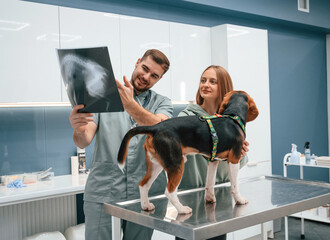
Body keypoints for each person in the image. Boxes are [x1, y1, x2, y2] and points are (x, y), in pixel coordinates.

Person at [69, 49, 173, 240]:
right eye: (145, 68)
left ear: (159, 79)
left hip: (144, 195)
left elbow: (160, 128)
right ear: (137, 61)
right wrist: (78, 127)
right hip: (104, 192)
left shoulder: (163, 103)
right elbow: (83, 140)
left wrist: (130, 105)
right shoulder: (102, 95)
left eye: (154, 76)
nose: (146, 77)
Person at [176, 65, 249, 240]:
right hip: (190, 199)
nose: (205, 85)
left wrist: (239, 151)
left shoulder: (231, 122)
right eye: (203, 80)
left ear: (223, 88)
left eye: (212, 81)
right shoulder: (186, 118)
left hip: (220, 200)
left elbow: (238, 163)